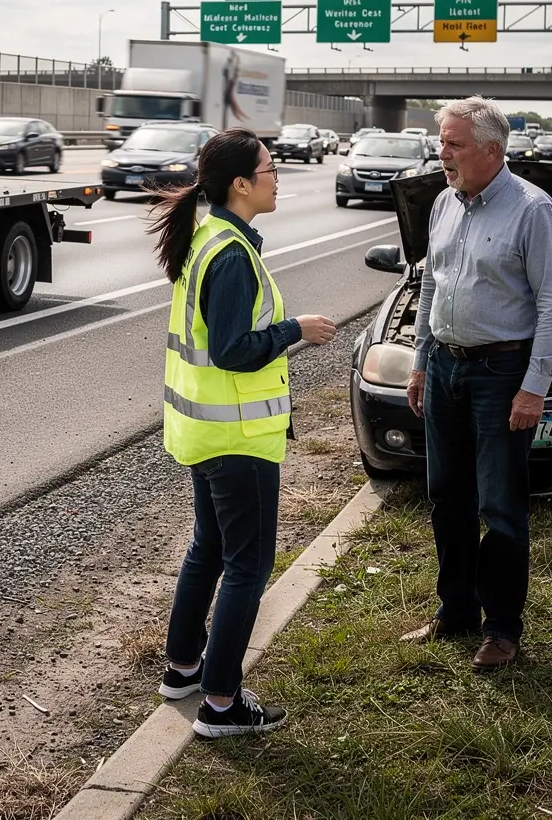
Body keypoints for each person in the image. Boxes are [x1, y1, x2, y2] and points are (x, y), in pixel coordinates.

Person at [147, 127, 336, 737]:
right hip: (238, 439)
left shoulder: (210, 239)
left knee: (209, 549)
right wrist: (295, 329)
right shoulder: (230, 254)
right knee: (248, 566)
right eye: (270, 168)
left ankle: (183, 670)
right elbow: (233, 349)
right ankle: (222, 704)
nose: (277, 176)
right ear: (240, 184)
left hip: (206, 431)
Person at [402, 96, 552, 669]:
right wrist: (421, 359)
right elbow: (431, 284)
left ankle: (502, 629)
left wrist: (535, 385)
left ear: (493, 152)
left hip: (503, 372)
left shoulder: (533, 210)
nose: (441, 153)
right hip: (447, 366)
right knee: (447, 495)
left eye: (454, 144)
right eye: (441, 141)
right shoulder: (444, 203)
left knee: (500, 506)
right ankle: (455, 612)